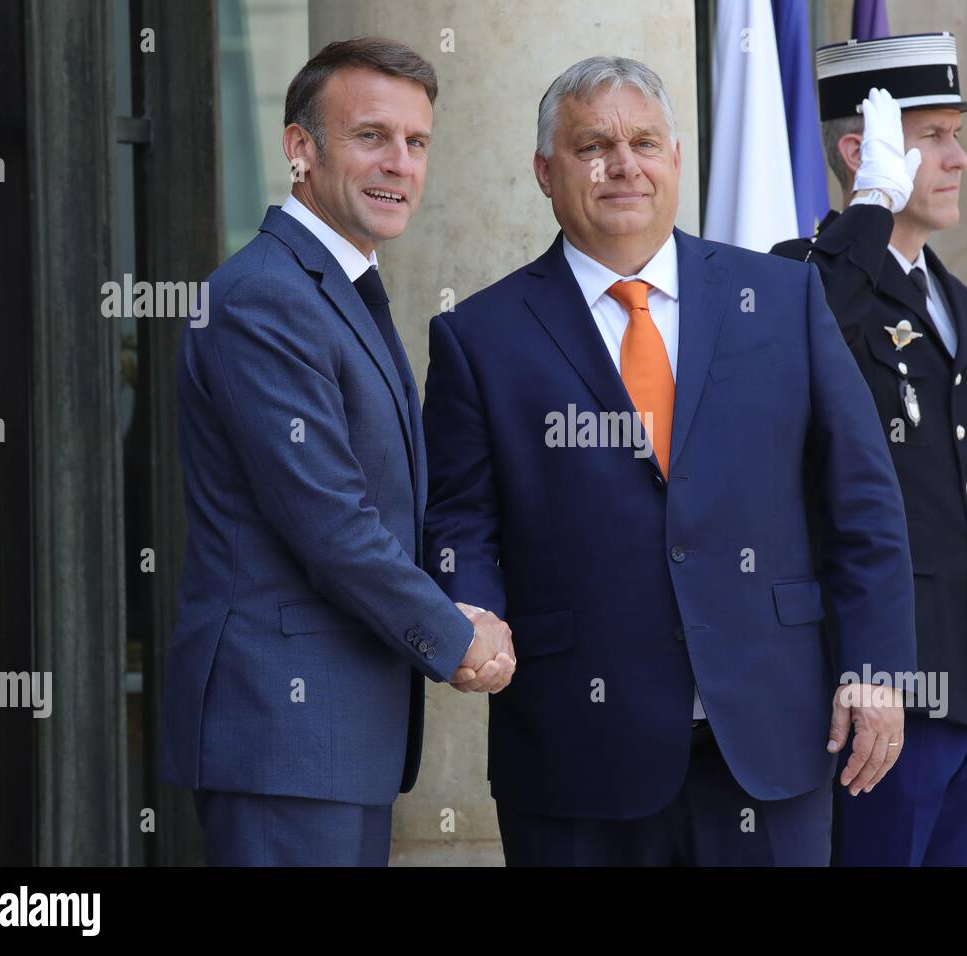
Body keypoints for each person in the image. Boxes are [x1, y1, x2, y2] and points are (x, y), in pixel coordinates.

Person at [422, 55, 915, 866]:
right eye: (593, 146)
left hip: (772, 737)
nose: (624, 165)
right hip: (576, 754)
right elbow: (461, 520)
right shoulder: (479, 337)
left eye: (645, 142)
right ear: (546, 172)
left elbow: (861, 501)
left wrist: (875, 667)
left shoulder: (784, 300)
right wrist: (469, 609)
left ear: (677, 160)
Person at [160, 36, 515, 867]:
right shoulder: (264, 299)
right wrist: (453, 633)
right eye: (370, 136)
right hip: (282, 735)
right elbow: (331, 523)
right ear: (299, 149)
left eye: (416, 141)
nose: (398, 162)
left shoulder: (335, 285)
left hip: (331, 735)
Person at [772, 32, 967, 866]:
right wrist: (868, 209)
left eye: (958, 135)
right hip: (887, 688)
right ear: (862, 150)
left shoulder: (951, 296)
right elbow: (795, 360)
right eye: (933, 137)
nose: (957, 158)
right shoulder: (804, 276)